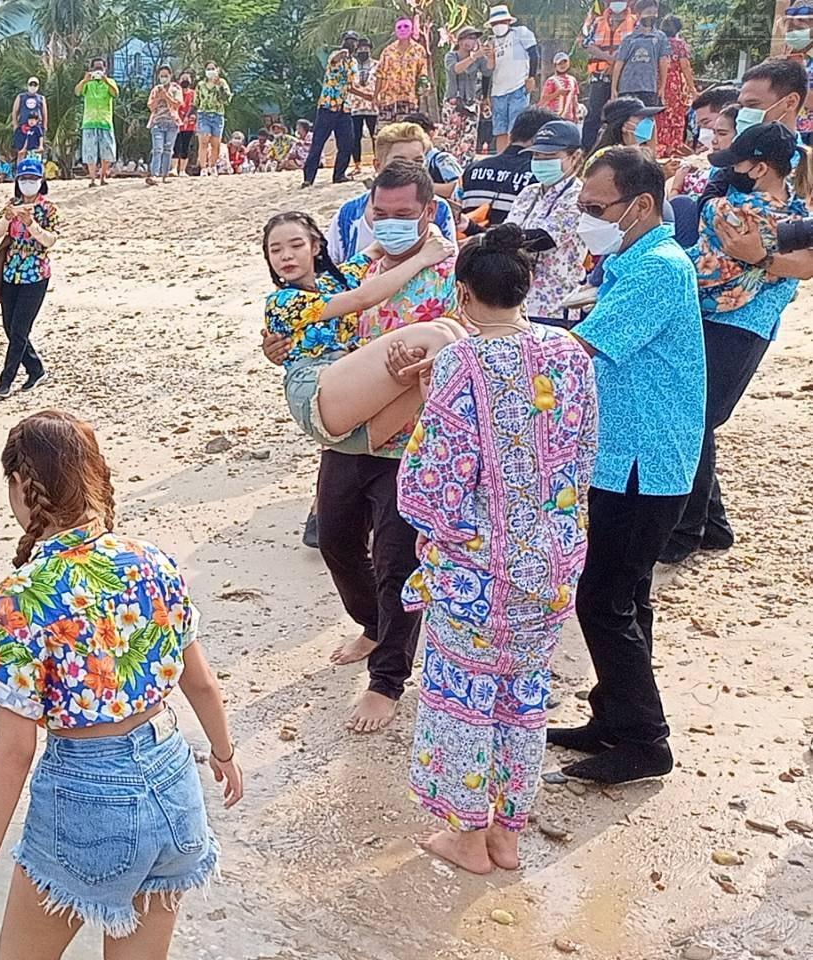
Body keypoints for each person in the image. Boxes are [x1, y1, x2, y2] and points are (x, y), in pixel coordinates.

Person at [0, 410, 243, 956]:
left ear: (20, 486)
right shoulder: (152, 561)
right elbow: (198, 681)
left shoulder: (23, 593)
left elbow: (15, 751)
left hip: (90, 797)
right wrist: (223, 752)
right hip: (175, 784)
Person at [399, 223, 599, 875]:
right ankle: (507, 834)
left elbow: (435, 481)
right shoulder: (569, 351)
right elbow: (583, 449)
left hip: (480, 570)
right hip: (553, 559)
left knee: (465, 695)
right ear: (528, 285)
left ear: (462, 293)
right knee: (523, 693)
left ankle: (467, 835)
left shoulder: (463, 360)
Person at [267, 160, 465, 733]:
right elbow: (316, 326)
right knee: (335, 542)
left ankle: (387, 680)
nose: (393, 224)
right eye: (382, 215)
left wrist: (433, 360)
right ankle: (374, 624)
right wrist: (277, 347)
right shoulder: (359, 268)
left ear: (428, 212)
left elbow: (482, 332)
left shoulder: (454, 270)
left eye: (405, 216)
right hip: (355, 437)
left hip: (413, 441)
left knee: (398, 561)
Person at [548, 146, 703, 784]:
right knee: (627, 595)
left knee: (604, 598)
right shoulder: (630, 261)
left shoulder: (657, 269)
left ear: (640, 205)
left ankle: (646, 740)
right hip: (625, 457)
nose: (586, 218)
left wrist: (492, 338)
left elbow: (584, 345)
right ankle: (613, 715)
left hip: (646, 460)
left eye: (595, 208)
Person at [665, 122, 813, 563]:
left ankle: (686, 530)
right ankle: (712, 526)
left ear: (760, 167)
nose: (730, 170)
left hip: (734, 321)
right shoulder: (793, 216)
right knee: (699, 418)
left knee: (696, 419)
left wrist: (761, 256)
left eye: (738, 163)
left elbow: (707, 205)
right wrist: (770, 259)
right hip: (737, 320)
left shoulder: (736, 211)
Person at [263, 211, 462, 457]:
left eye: (296, 245)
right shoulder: (281, 301)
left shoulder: (336, 281)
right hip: (316, 394)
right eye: (276, 250)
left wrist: (432, 233)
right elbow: (363, 298)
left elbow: (377, 248)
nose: (286, 256)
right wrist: (422, 259)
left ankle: (453, 437)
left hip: (361, 431)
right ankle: (454, 435)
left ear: (315, 247)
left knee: (447, 338)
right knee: (438, 336)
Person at [326, 122, 460, 261]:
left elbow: (450, 264)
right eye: (399, 162)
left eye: (418, 161)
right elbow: (329, 267)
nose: (409, 169)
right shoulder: (350, 213)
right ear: (378, 165)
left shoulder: (439, 208)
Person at [505, 120, 590, 327]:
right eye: (536, 156)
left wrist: (497, 238)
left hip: (555, 306)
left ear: (575, 156)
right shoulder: (529, 192)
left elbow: (544, 239)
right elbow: (509, 230)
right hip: (517, 302)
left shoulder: (580, 196)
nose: (541, 161)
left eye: (549, 157)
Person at [0, 158, 60, 399]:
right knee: (10, 327)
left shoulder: (48, 208)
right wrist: (9, 217)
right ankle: (35, 368)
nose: (28, 184)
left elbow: (50, 240)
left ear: (41, 182)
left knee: (20, 328)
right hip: (11, 272)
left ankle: (6, 380)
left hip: (36, 273)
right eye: (23, 179)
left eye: (33, 179)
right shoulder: (12, 204)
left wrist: (31, 224)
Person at [458, 105, 556, 230]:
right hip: (511, 247)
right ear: (541, 139)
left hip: (468, 246)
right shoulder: (539, 176)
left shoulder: (471, 169)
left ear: (511, 135)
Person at [304, 32, 367, 187]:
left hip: (344, 107)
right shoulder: (336, 55)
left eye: (353, 41)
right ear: (343, 42)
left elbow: (350, 86)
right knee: (318, 143)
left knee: (347, 142)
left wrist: (368, 96)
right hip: (328, 105)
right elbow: (334, 60)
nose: (351, 44)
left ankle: (339, 174)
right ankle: (308, 178)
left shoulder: (354, 63)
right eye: (348, 41)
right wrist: (342, 53)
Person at [581, 0, 638, 150]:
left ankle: (620, 148)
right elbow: (586, 43)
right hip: (599, 75)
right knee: (594, 113)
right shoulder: (597, 22)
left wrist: (617, 64)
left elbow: (637, 47)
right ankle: (587, 149)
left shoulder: (635, 22)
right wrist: (610, 59)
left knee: (623, 114)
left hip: (625, 78)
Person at [484, 4, 540, 155]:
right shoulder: (490, 43)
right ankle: (502, 158)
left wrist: (532, 77)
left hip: (518, 87)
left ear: (508, 21)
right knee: (500, 129)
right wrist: (485, 96)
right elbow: (487, 71)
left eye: (501, 22)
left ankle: (515, 156)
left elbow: (534, 54)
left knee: (516, 128)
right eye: (495, 23)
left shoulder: (520, 33)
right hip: (498, 91)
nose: (498, 26)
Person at [443, 26, 492, 166]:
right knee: (452, 139)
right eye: (468, 38)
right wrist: (473, 57)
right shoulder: (451, 56)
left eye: (474, 38)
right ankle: (451, 173)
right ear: (460, 41)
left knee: (469, 141)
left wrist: (490, 55)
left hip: (471, 102)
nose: (471, 41)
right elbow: (456, 69)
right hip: (453, 102)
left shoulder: (479, 59)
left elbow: (488, 72)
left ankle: (466, 171)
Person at [612, 1, 669, 106]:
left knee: (647, 118)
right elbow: (619, 63)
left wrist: (662, 87)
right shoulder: (629, 39)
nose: (651, 15)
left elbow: (663, 62)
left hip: (649, 87)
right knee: (628, 118)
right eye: (648, 12)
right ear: (638, 15)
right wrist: (614, 88)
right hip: (627, 88)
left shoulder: (660, 37)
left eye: (654, 12)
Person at [76, 57, 120, 186]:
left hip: (105, 121)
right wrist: (85, 80)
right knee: (90, 151)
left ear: (105, 69)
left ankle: (103, 177)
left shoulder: (110, 82)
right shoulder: (87, 83)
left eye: (100, 68)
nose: (98, 70)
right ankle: (92, 179)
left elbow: (115, 93)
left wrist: (106, 81)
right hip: (89, 122)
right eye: (96, 68)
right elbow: (77, 92)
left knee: (107, 150)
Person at [376, 19, 430, 123]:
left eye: (406, 26)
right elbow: (380, 74)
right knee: (385, 135)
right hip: (388, 99)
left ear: (411, 30)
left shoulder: (419, 50)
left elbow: (422, 74)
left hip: (409, 99)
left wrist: (422, 90)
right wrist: (375, 97)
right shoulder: (388, 51)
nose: (402, 29)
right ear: (395, 31)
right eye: (399, 27)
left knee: (406, 134)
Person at [657, 16, 696, 152]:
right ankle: (673, 147)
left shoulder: (656, 42)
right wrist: (693, 89)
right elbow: (685, 67)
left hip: (658, 83)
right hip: (674, 86)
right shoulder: (679, 44)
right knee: (676, 116)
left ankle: (660, 147)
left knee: (660, 116)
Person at [405, 111, 466, 198]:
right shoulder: (407, 162)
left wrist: (424, 187)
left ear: (431, 134)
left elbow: (459, 188)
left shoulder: (441, 160)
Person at [194, 61, 233, 175]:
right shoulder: (200, 85)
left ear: (217, 69)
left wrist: (219, 87)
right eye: (208, 69)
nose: (210, 71)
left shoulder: (222, 83)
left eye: (212, 68)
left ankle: (212, 165)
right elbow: (196, 101)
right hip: (204, 114)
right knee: (204, 141)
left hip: (217, 115)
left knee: (216, 143)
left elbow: (226, 99)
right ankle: (203, 167)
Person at [591, 95, 663, 156]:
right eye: (641, 118)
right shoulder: (608, 156)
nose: (648, 122)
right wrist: (633, 150)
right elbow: (637, 171)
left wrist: (652, 140)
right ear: (623, 123)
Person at [147, 65, 183, 185]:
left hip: (172, 123)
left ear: (170, 76)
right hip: (157, 122)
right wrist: (158, 97)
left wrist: (166, 96)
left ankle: (165, 175)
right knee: (157, 149)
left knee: (168, 149)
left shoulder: (176, 88)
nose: (163, 78)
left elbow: (177, 105)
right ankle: (154, 174)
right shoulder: (155, 89)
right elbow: (151, 107)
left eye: (166, 76)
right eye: (161, 76)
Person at [349, 40, 380, 168]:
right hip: (355, 106)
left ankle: (377, 161)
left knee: (375, 136)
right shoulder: (352, 65)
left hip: (372, 105)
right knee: (355, 136)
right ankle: (357, 164)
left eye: (366, 48)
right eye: (360, 49)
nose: (363, 51)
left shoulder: (377, 65)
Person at [11, 76, 47, 161]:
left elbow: (44, 113)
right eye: (31, 84)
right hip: (23, 127)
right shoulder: (21, 96)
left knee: (36, 149)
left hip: (36, 128)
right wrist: (15, 124)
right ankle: (20, 170)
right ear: (27, 85)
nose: (33, 87)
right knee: (21, 151)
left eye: (35, 85)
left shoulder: (41, 98)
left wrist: (44, 126)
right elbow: (15, 111)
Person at [173, 70, 198, 177]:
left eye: (187, 79)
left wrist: (192, 116)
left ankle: (182, 170)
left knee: (185, 146)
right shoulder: (175, 92)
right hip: (177, 123)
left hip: (189, 124)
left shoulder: (193, 94)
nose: (185, 81)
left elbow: (196, 106)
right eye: (183, 79)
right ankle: (174, 168)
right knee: (176, 146)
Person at [543, 52, 581, 121]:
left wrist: (576, 114)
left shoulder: (573, 80)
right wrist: (557, 93)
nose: (562, 65)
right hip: (552, 117)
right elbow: (544, 99)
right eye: (560, 63)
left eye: (564, 62)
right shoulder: (551, 80)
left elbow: (574, 99)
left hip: (569, 118)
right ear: (555, 65)